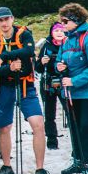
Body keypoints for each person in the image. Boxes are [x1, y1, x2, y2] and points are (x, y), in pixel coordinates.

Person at [0, 7, 50, 174]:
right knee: (4, 127)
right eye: (0, 20)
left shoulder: (24, 34)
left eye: (6, 19)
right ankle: (6, 165)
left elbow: (29, 52)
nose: (4, 23)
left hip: (25, 86)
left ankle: (40, 168)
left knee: (38, 125)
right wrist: (10, 67)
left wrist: (4, 56)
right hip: (4, 87)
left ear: (12, 19)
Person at [56, 3, 88, 174]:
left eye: (65, 21)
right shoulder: (66, 40)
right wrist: (59, 66)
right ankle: (78, 160)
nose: (62, 24)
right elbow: (59, 60)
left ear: (76, 20)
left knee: (86, 126)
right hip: (72, 92)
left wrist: (74, 81)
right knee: (75, 126)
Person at [35, 23, 67, 151]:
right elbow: (38, 68)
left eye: (61, 30)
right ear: (51, 33)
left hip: (65, 81)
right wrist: (41, 62)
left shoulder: (69, 44)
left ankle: (76, 137)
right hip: (48, 82)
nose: (59, 33)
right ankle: (52, 140)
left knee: (70, 111)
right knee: (49, 113)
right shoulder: (46, 46)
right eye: (56, 30)